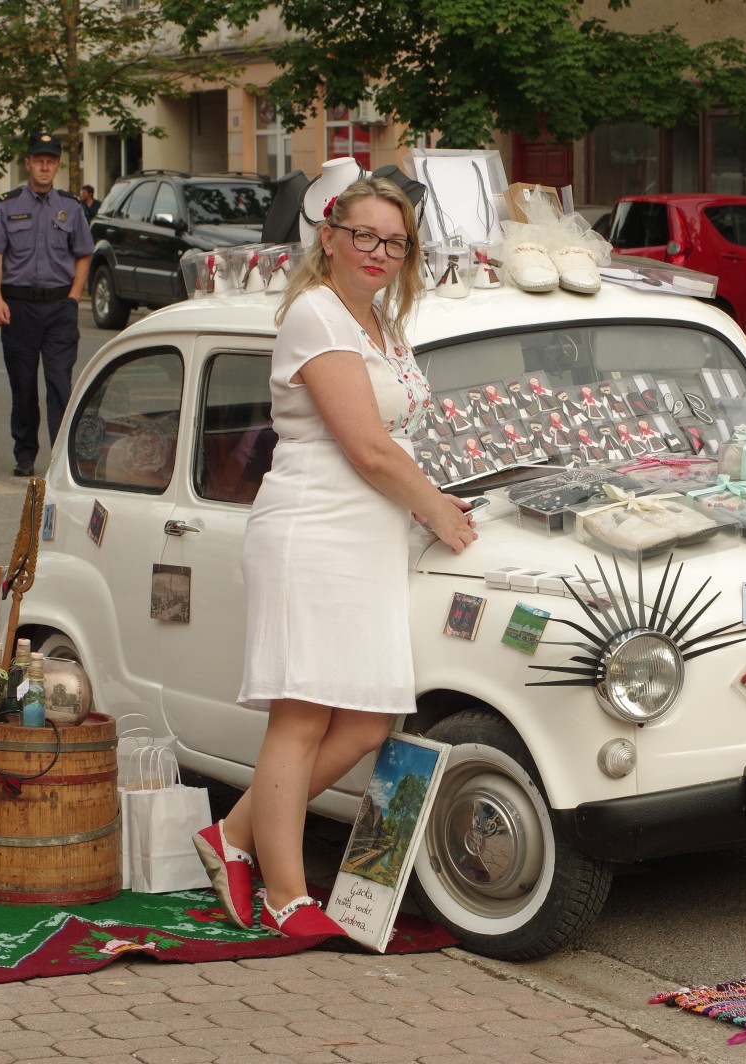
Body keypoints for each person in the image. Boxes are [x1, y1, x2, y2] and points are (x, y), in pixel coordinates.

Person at [191, 176, 478, 938]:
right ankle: (287, 895)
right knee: (302, 717)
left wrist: (434, 499)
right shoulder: (316, 313)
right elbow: (368, 448)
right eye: (366, 236)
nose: (380, 252)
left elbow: (396, 443)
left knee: (368, 723)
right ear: (330, 237)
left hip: (370, 540)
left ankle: (234, 834)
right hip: (313, 532)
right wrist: (435, 508)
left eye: (396, 242)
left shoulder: (379, 319)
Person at [0, 133, 93, 476]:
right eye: (38, 160)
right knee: (24, 386)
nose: (44, 166)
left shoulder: (71, 207)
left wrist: (73, 298)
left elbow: (83, 254)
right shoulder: (6, 205)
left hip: (59, 308)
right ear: (27, 163)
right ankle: (25, 454)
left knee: (60, 384)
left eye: (50, 161)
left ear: (58, 166)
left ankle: (61, 460)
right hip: (19, 308)